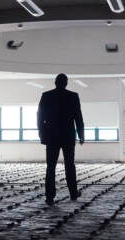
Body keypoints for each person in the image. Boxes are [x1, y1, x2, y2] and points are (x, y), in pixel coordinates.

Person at [37, 73, 84, 206]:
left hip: (51, 137)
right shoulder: (73, 96)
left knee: (50, 167)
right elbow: (78, 116)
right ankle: (73, 193)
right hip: (68, 136)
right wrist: (81, 134)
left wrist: (41, 133)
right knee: (70, 165)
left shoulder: (46, 96)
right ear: (66, 83)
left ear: (55, 82)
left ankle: (49, 196)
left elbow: (40, 116)